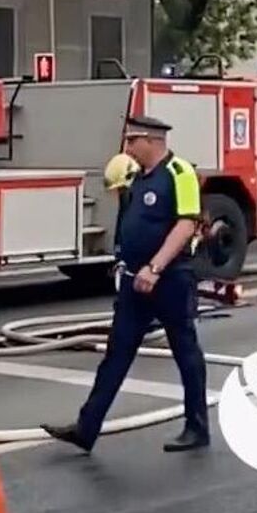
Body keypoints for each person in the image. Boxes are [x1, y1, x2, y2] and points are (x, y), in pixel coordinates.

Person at [43, 116, 210, 453]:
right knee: (116, 353)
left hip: (169, 278)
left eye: (133, 141)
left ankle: (197, 427)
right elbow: (130, 223)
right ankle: (86, 429)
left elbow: (186, 223)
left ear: (151, 141)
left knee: (185, 352)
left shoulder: (179, 173)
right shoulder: (138, 178)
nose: (128, 148)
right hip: (135, 280)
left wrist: (155, 266)